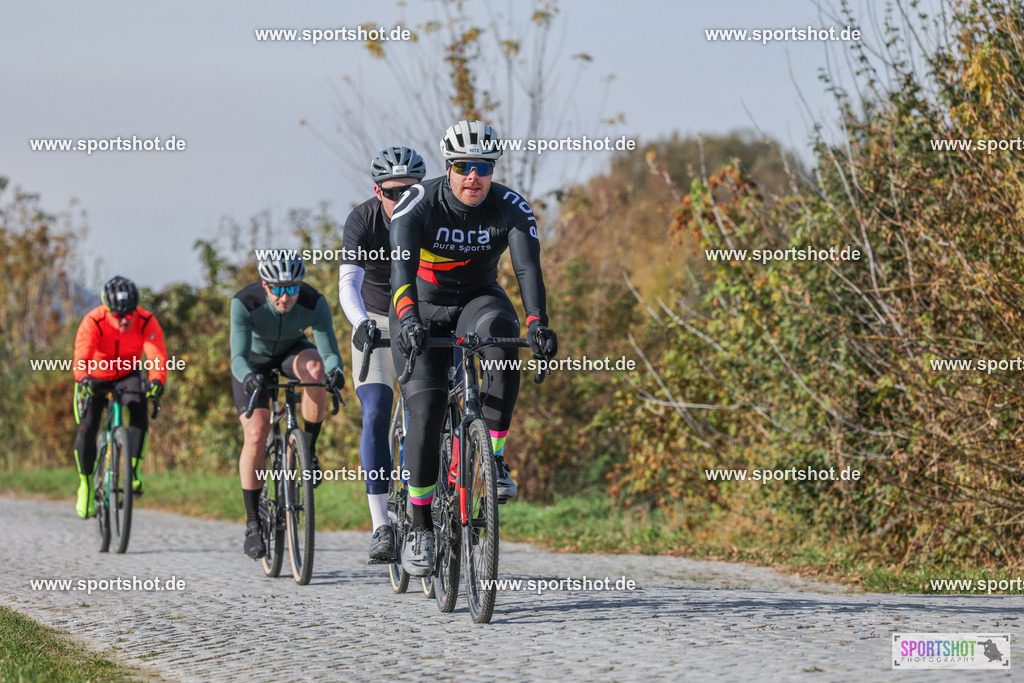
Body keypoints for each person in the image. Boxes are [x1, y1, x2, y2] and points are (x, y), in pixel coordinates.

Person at [388, 120, 558, 575]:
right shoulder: (417, 203)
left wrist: (538, 323)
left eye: (482, 167)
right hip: (422, 305)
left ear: (492, 169)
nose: (473, 177)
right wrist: (406, 320)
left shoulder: (510, 207)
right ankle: (420, 525)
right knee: (425, 413)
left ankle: (494, 459)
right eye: (464, 167)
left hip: (478, 300)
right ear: (449, 168)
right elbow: (400, 272)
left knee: (504, 339)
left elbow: (526, 270)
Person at [338, 146, 427, 562]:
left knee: (428, 412)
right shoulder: (362, 220)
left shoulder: (435, 214)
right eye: (392, 193)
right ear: (378, 191)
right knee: (375, 411)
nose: (401, 199)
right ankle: (381, 525)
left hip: (423, 318)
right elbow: (348, 284)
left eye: (411, 190)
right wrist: (360, 323)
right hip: (377, 317)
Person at [230, 253, 345, 559]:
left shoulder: (313, 301)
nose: (285, 297)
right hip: (253, 363)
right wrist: (248, 378)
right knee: (256, 432)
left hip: (292, 352)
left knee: (317, 371)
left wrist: (337, 371)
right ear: (265, 286)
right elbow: (237, 358)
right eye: (277, 289)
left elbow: (328, 347)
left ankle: (309, 449)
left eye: (292, 288)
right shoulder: (245, 302)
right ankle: (253, 524)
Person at [72, 276, 168, 518]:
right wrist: (84, 378)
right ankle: (85, 484)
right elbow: (81, 356)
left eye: (129, 314)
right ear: (107, 309)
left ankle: (133, 470)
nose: (125, 320)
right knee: (87, 427)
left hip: (127, 373)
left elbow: (156, 355)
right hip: (95, 375)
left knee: (138, 405)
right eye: (118, 315)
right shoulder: (94, 320)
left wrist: (157, 381)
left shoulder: (146, 320)